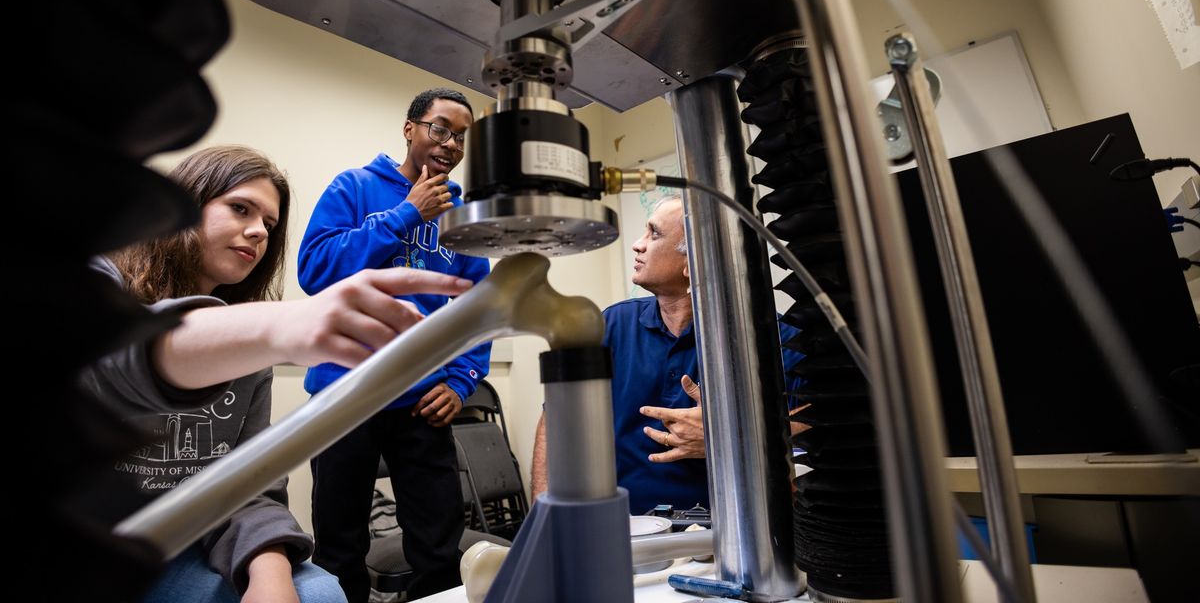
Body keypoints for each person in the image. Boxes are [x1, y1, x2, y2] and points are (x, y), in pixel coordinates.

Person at [81, 145, 473, 603]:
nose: (257, 232)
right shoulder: (98, 281)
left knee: (321, 593)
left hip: (185, 549)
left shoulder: (250, 360)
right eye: (240, 208)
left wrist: (269, 574)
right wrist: (283, 325)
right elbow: (111, 352)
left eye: (268, 225)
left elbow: (249, 485)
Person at [298, 88, 491, 602]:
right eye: (440, 128)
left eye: (461, 136)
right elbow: (315, 271)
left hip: (422, 402)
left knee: (438, 549)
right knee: (339, 549)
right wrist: (408, 213)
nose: (450, 143)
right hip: (345, 394)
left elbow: (481, 308)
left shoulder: (464, 214)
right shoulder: (354, 187)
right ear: (410, 129)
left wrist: (461, 378)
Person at [530, 195, 805, 515]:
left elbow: (822, 417)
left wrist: (735, 436)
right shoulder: (611, 325)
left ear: (694, 261)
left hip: (734, 531)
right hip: (626, 527)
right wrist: (542, 512)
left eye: (654, 234)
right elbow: (556, 417)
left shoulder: (768, 336)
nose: (637, 244)